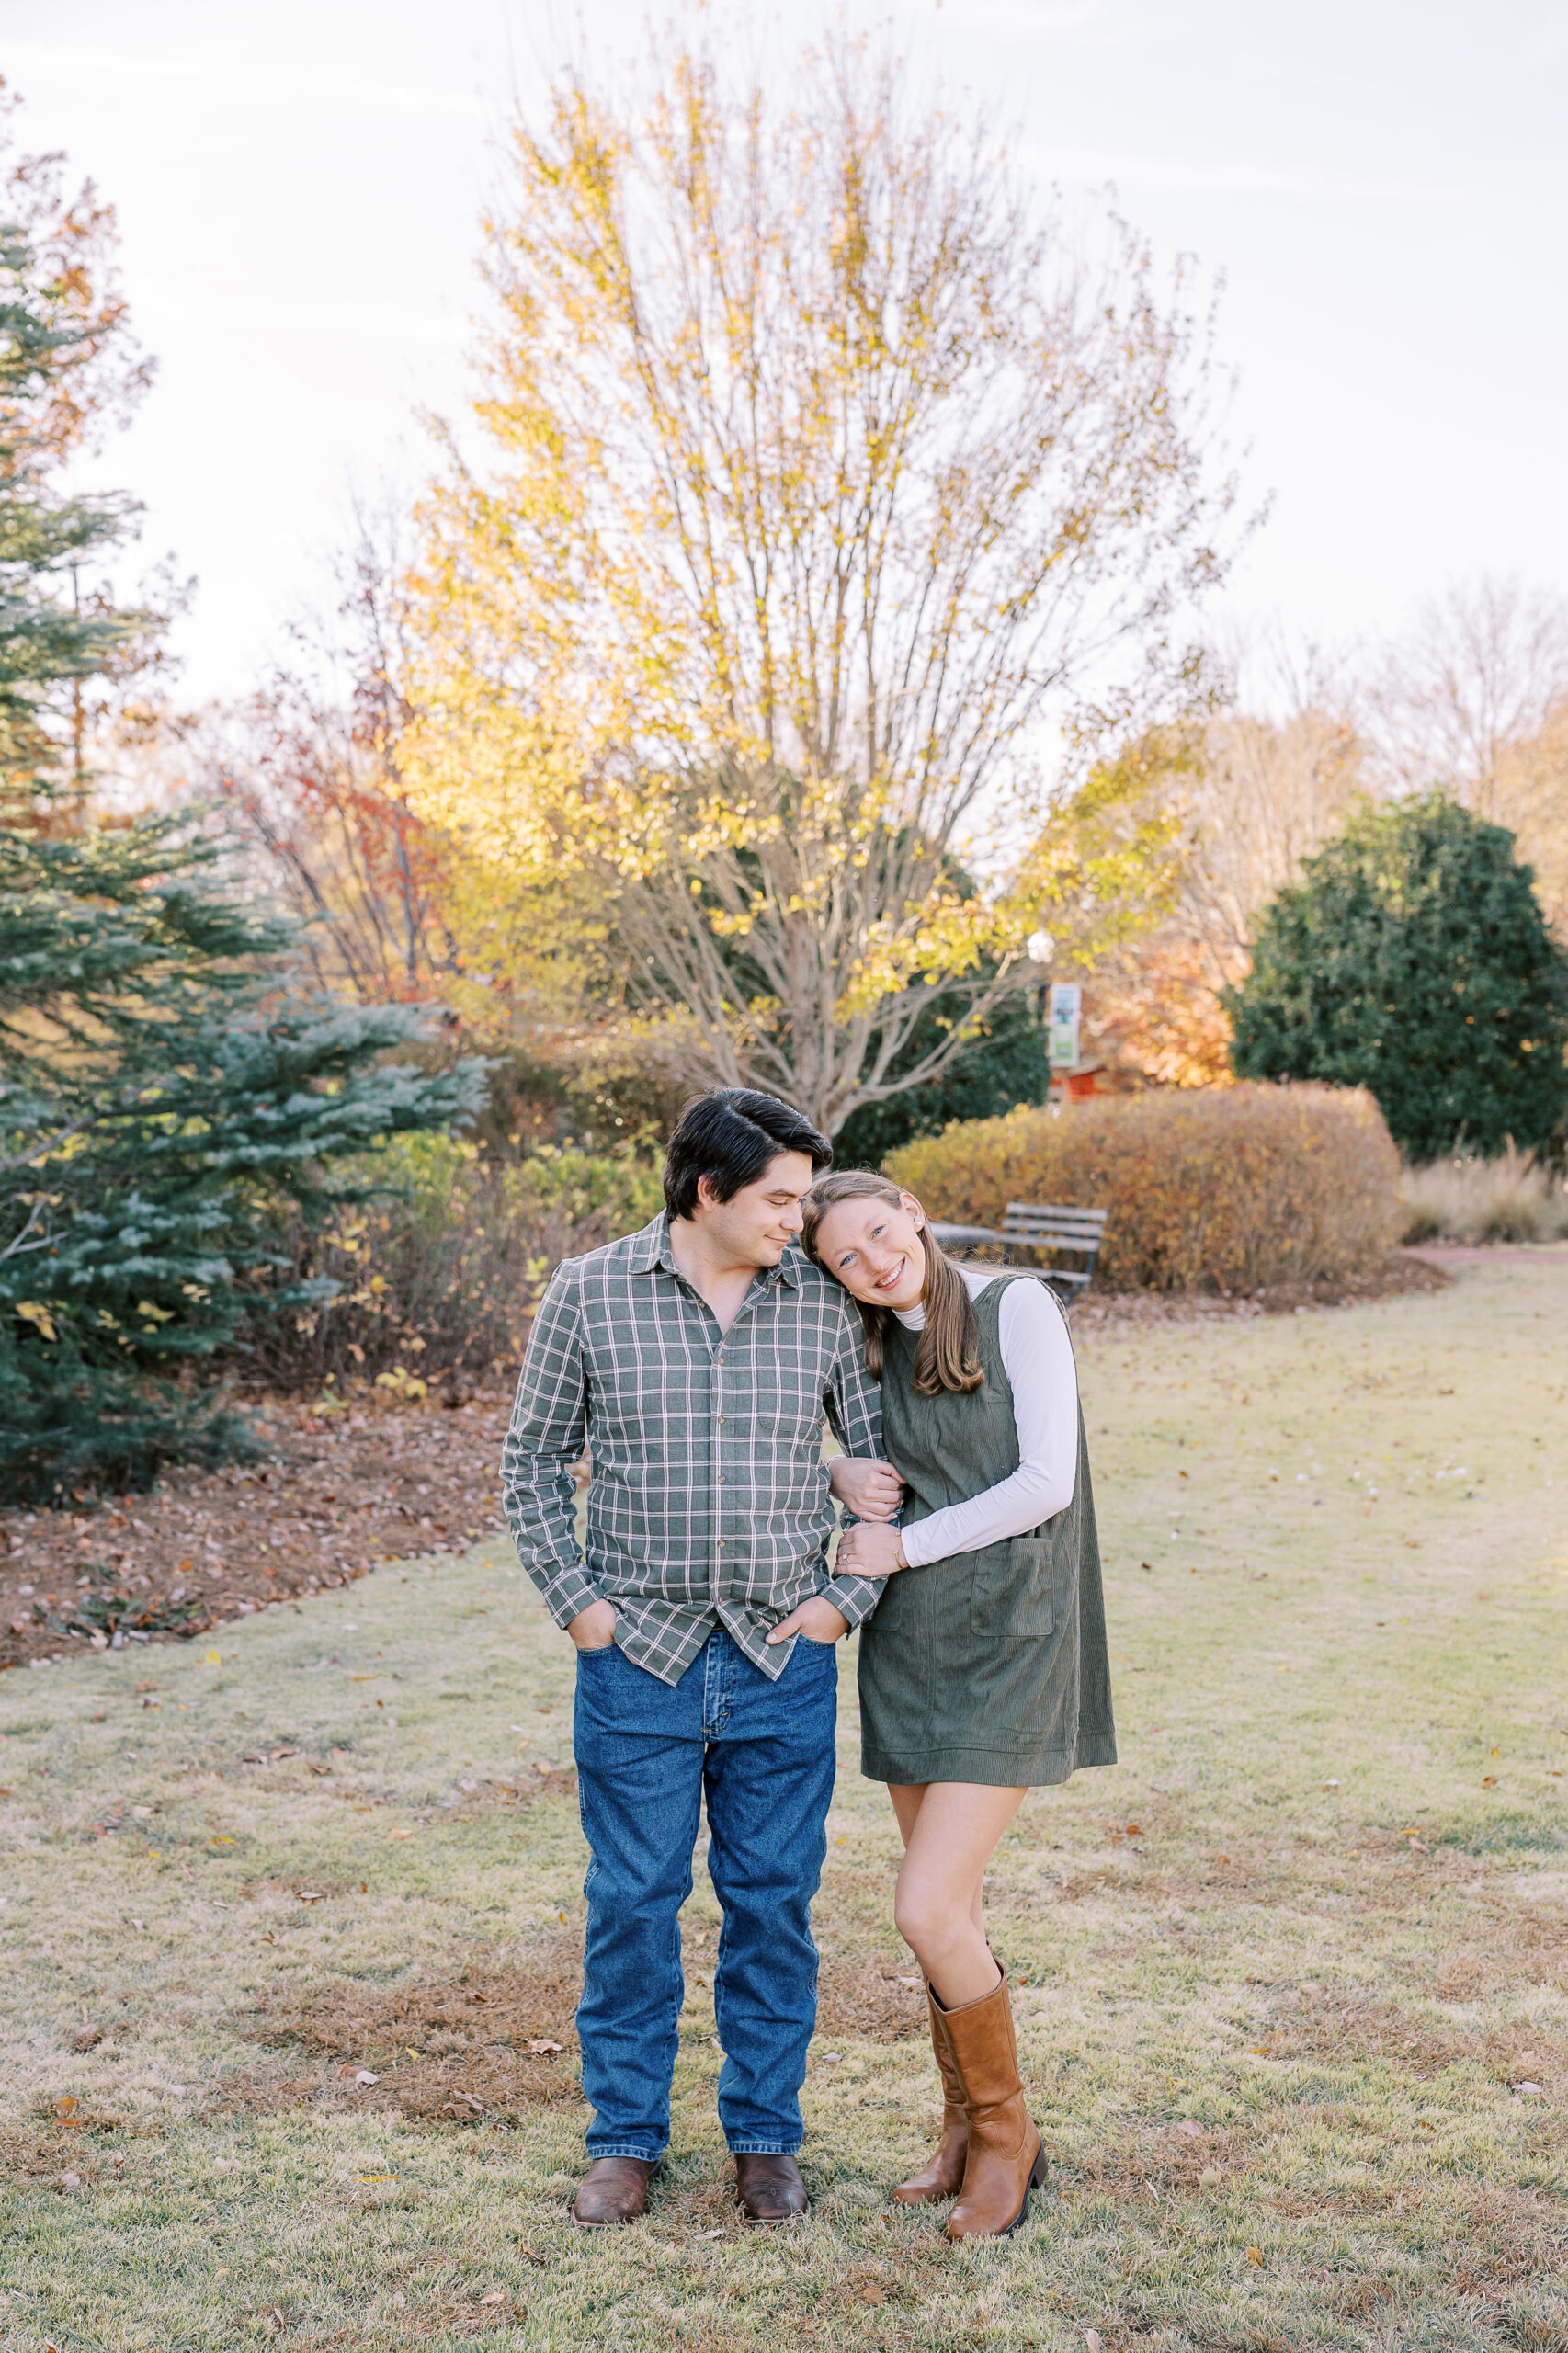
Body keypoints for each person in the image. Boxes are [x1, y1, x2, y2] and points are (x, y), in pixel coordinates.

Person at [501, 1090, 896, 2229]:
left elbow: (877, 1471)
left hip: (783, 1658)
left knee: (773, 1905)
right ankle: (622, 2140)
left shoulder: (817, 1305)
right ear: (706, 1191)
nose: (798, 1216)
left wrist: (842, 1602)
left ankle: (765, 2140)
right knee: (631, 1903)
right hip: (640, 1659)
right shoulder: (587, 1292)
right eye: (779, 1197)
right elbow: (529, 1465)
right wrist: (580, 1609)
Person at [796, 1169, 1116, 2241]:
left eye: (880, 1234)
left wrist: (905, 1540)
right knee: (954, 1917)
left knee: (924, 1907)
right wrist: (837, 1472)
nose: (874, 1261)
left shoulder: (1014, 1305)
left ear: (914, 1214)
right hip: (912, 1644)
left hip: (1011, 1637)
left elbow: (1046, 1482)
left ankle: (1007, 2138)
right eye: (847, 1255)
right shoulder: (862, 1346)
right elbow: (784, 1445)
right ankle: (963, 2133)